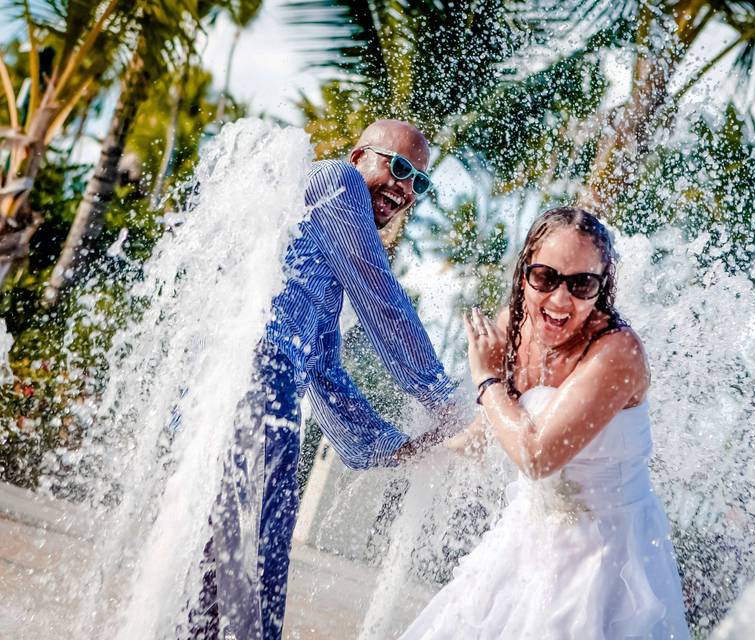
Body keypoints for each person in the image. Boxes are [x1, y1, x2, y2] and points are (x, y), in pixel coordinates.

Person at [191, 120, 461, 640]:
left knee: (227, 585)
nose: (405, 189)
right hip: (250, 394)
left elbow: (324, 371)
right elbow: (378, 294)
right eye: (399, 167)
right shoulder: (336, 181)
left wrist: (400, 447)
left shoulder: (320, 255)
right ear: (360, 155)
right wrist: (440, 394)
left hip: (264, 406)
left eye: (419, 183)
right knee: (242, 587)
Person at [400, 207, 690, 639]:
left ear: (601, 288)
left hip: (608, 558)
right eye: (545, 277)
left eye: (581, 284)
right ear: (524, 274)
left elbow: (536, 457)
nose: (558, 300)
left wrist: (486, 378)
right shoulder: (515, 328)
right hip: (528, 535)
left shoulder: (617, 353)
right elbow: (487, 432)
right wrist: (409, 451)